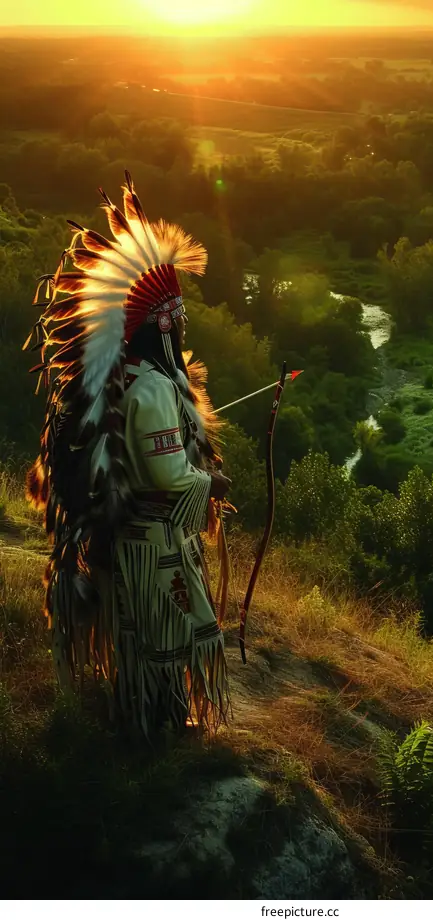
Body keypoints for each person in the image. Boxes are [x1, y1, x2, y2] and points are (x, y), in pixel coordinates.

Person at [24, 171, 232, 739]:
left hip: (129, 540)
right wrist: (208, 484)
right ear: (160, 323)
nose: (183, 323)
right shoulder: (156, 390)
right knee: (161, 631)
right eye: (177, 316)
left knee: (139, 633)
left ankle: (141, 719)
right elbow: (165, 474)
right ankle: (156, 730)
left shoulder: (128, 380)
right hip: (155, 540)